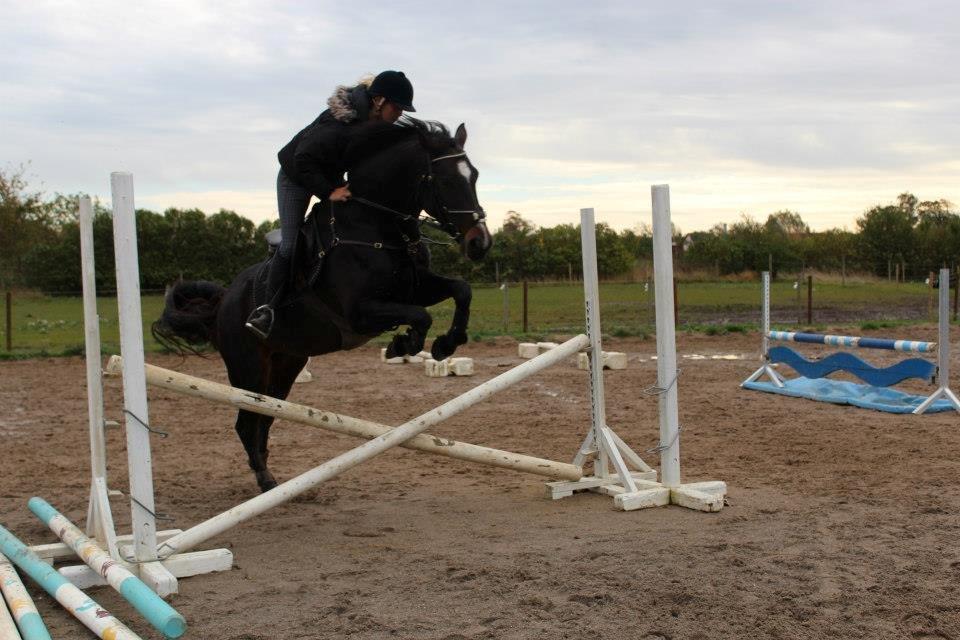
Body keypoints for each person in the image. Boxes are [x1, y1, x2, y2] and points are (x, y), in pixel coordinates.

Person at [245, 70, 416, 338]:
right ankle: (266, 310)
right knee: (291, 245)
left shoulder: (376, 122)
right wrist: (329, 192)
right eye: (398, 107)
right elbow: (303, 160)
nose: (400, 114)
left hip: (331, 177)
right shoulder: (338, 123)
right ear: (380, 101)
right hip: (297, 177)